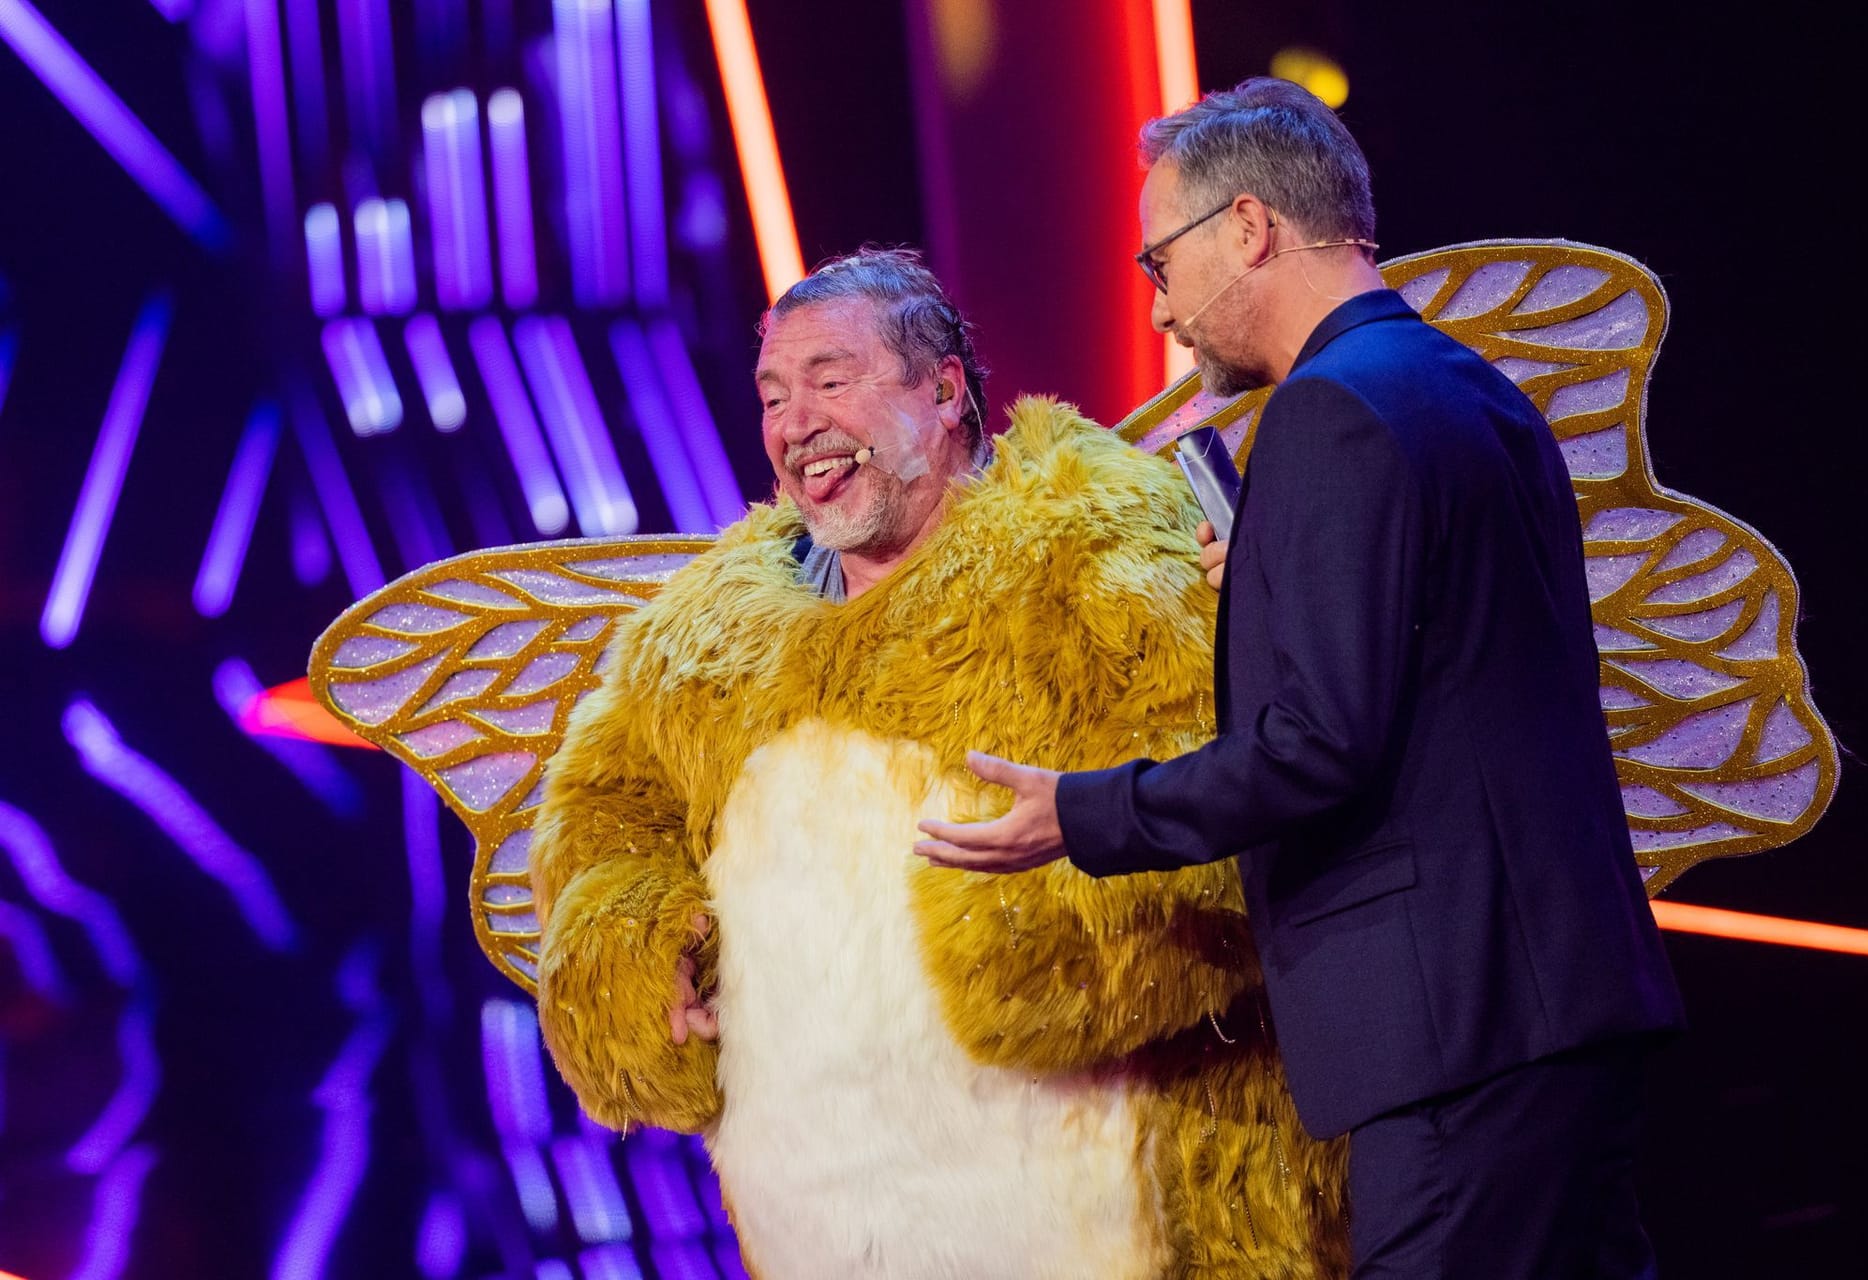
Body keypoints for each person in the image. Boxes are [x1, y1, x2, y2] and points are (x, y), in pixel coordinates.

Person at [916, 80, 1686, 1276]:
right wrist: (1277, 590)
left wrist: (1076, 812)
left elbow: (1316, 743)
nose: (1160, 307)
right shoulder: (1469, 388)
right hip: (1558, 1012)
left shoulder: (1332, 415)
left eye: (1158, 259)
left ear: (1249, 229)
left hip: (1456, 1037)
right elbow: (1450, 675)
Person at [528, 248, 1347, 1277]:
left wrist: (1025, 941)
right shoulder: (702, 639)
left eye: (831, 379)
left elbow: (1253, 794)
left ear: (945, 390)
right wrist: (632, 957)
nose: (795, 424)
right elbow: (601, 826)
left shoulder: (1092, 547)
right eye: (774, 395)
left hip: (1124, 1206)